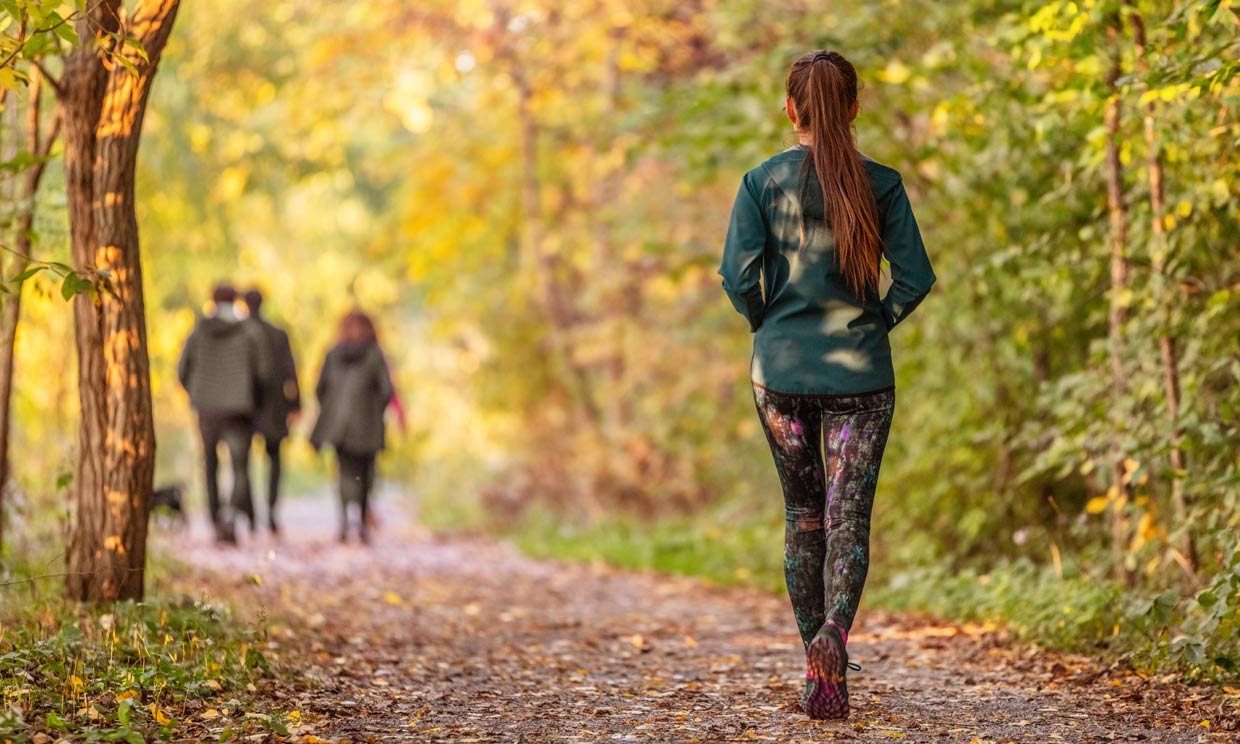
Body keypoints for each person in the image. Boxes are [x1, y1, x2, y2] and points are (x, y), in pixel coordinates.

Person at [718, 50, 935, 720]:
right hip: (861, 374)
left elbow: (736, 276)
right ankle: (834, 635)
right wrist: (874, 323)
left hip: (779, 374)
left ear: (791, 110)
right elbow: (915, 278)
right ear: (853, 108)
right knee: (848, 519)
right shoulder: (882, 183)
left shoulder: (761, 181)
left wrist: (770, 327)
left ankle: (820, 680)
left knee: (802, 517)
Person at [178, 284, 272, 543]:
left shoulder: (199, 331)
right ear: (236, 301)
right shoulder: (249, 331)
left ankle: (215, 520)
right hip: (239, 409)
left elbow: (182, 369)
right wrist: (251, 398)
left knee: (210, 464)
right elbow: (264, 373)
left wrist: (198, 394)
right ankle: (230, 515)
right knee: (240, 466)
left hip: (207, 409)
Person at [310, 309, 394, 544]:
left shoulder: (333, 354)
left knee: (344, 473)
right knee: (366, 474)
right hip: (368, 423)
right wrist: (376, 409)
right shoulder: (375, 355)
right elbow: (386, 390)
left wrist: (332, 409)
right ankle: (363, 524)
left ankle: (345, 521)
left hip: (339, 425)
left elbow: (320, 389)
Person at [243, 289, 301, 535]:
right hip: (275, 405)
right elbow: (290, 370)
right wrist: (296, 403)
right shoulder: (278, 333)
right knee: (274, 460)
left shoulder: (240, 333)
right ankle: (271, 511)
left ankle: (251, 515)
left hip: (245, 405)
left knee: (241, 462)